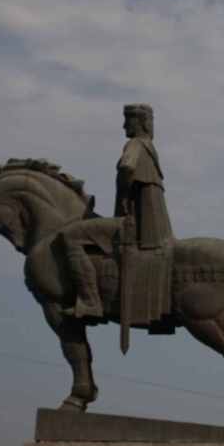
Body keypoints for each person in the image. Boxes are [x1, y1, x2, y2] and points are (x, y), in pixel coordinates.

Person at [59, 104, 173, 318]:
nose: (124, 126)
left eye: (128, 120)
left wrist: (124, 193)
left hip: (134, 223)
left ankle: (90, 301)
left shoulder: (135, 144)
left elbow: (127, 166)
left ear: (140, 122)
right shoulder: (149, 147)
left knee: (70, 236)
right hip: (151, 225)